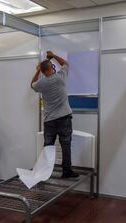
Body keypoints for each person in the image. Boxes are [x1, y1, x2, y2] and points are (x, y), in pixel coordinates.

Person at [30, 50, 79, 178]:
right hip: (64, 118)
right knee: (66, 145)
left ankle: (45, 172)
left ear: (42, 71)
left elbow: (32, 85)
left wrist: (38, 70)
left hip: (49, 120)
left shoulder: (41, 83)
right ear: (52, 68)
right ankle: (67, 171)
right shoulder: (60, 77)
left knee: (48, 147)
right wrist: (53, 56)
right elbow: (65, 64)